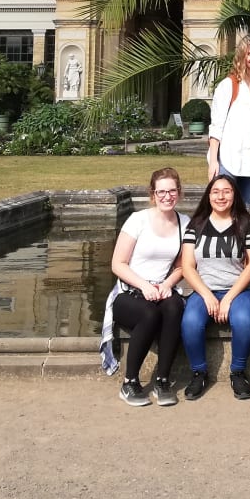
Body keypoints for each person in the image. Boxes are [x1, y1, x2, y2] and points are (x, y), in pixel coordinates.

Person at [101, 167, 188, 407]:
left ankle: (162, 380)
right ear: (153, 194)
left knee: (174, 308)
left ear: (179, 193)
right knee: (149, 314)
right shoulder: (137, 220)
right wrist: (144, 285)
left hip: (161, 289)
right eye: (161, 192)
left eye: (172, 191)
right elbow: (118, 264)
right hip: (129, 292)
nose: (167, 196)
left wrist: (168, 284)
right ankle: (129, 382)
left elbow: (183, 267)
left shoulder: (185, 223)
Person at [179, 174, 250, 401]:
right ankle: (199, 372)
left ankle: (237, 372)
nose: (221, 196)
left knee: (244, 321)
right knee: (190, 322)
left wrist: (228, 298)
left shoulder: (247, 223)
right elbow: (187, 266)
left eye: (226, 191)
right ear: (208, 195)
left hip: (239, 290)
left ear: (235, 194)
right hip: (204, 289)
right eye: (215, 191)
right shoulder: (196, 225)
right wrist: (207, 295)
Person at [207, 33, 250, 209]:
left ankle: (240, 237)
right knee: (224, 206)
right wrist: (214, 160)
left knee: (245, 207)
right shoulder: (230, 84)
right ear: (242, 56)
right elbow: (216, 126)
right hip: (231, 156)